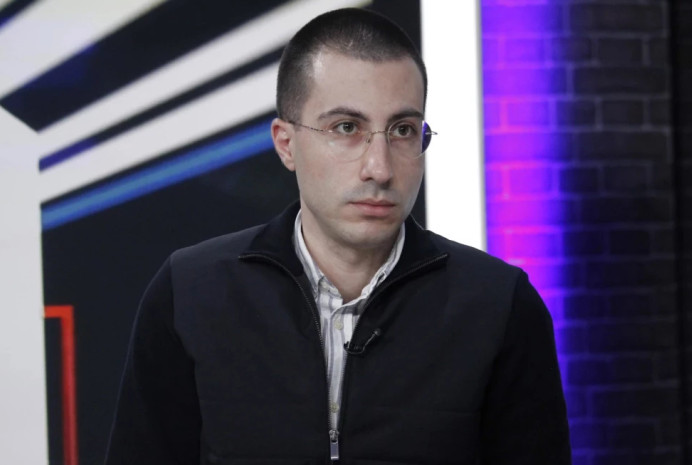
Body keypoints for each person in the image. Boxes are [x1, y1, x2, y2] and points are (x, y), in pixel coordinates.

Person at [105, 8, 570, 465]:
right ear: (286, 143)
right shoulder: (190, 293)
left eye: (403, 130)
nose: (380, 168)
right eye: (347, 128)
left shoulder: (499, 304)